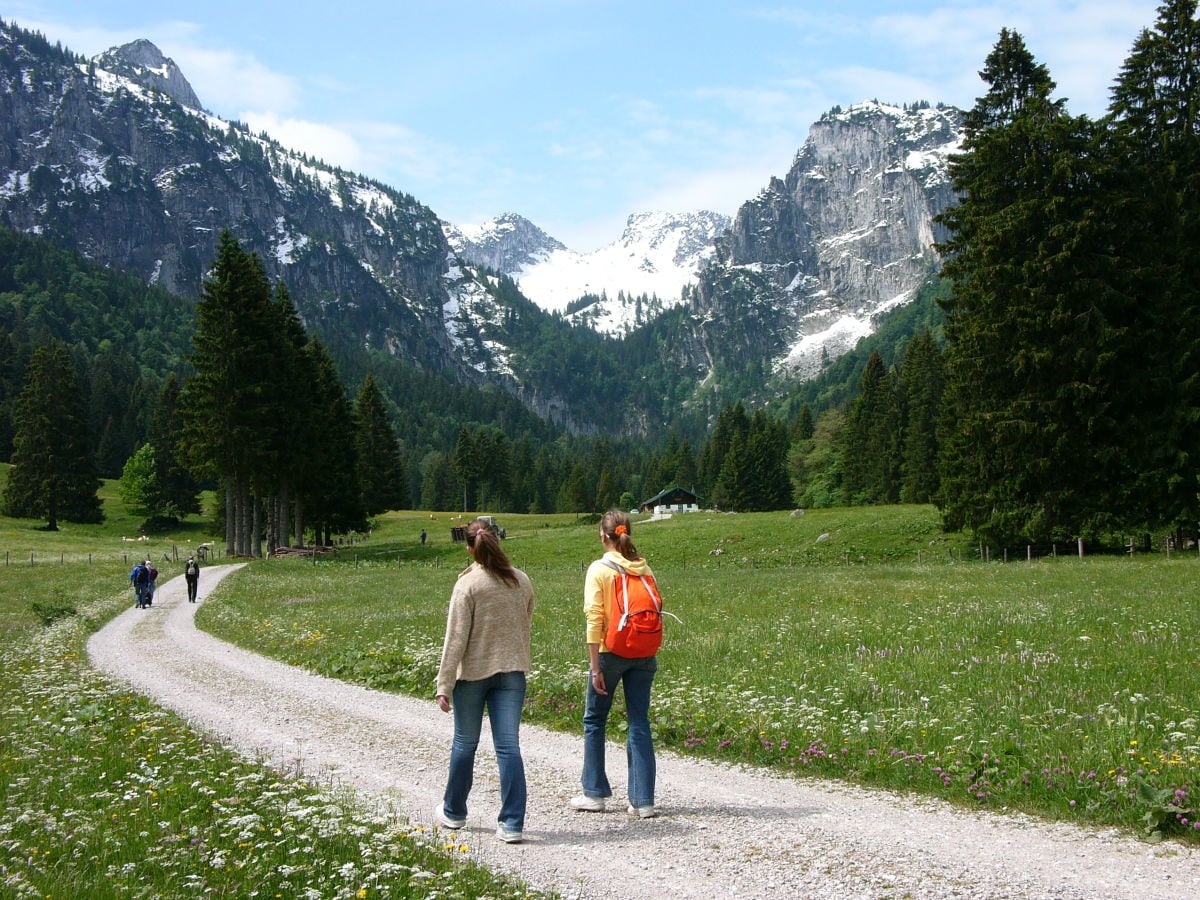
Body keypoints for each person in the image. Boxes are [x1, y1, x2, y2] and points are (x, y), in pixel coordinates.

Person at [434, 517, 535, 844]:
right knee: (508, 746)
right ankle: (512, 823)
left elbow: (455, 639)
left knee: (465, 742)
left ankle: (455, 811)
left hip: (474, 674)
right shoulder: (522, 581)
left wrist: (444, 683)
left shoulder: (467, 585)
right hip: (513, 671)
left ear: (469, 548)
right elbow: (526, 624)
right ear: (497, 542)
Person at [570, 509, 659, 818]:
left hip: (611, 652)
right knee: (639, 720)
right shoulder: (644, 569)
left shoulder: (599, 569)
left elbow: (594, 618)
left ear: (602, 535)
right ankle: (643, 800)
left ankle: (594, 793)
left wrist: (595, 667)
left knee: (595, 720)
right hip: (645, 652)